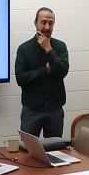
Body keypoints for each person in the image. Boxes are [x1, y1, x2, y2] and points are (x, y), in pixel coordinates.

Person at [15, 8, 69, 138]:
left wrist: (48, 49)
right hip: (32, 110)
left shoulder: (60, 46)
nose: (47, 27)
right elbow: (20, 79)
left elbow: (63, 71)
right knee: (27, 149)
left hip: (55, 109)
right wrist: (45, 70)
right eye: (43, 22)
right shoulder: (24, 48)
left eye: (51, 23)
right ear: (35, 23)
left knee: (55, 150)